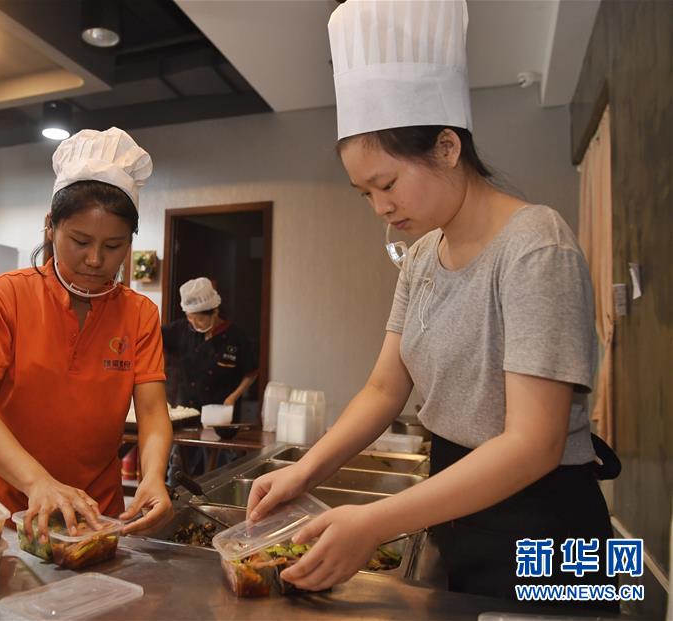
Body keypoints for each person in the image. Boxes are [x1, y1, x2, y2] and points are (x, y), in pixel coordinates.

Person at [247, 0, 618, 611]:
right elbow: (382, 389)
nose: (379, 208)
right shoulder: (421, 258)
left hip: (554, 523)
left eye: (386, 184)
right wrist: (306, 471)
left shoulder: (535, 244)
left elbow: (534, 443)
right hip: (457, 500)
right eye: (363, 192)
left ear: (447, 147)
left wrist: (374, 523)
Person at [0, 127, 173, 541]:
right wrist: (38, 481)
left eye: (113, 246)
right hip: (3, 508)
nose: (95, 260)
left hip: (95, 514)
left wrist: (154, 475)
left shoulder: (140, 313)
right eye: (80, 241)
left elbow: (151, 411)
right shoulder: (5, 297)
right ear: (50, 227)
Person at [162, 277, 258, 415]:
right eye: (190, 318)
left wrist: (234, 396)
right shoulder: (182, 329)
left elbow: (252, 372)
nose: (194, 324)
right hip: (186, 412)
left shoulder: (236, 336)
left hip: (220, 412)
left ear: (215, 312)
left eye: (200, 319)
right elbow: (152, 337)